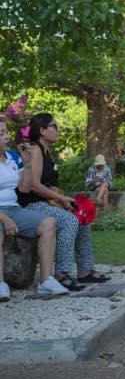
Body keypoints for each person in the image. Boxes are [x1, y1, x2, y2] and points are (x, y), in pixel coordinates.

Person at [19, 113, 109, 290]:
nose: (58, 130)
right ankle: (62, 273)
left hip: (46, 202)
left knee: (81, 217)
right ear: (43, 131)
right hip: (32, 205)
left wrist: (62, 197)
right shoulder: (35, 150)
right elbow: (34, 186)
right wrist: (60, 198)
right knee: (69, 220)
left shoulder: (45, 151)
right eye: (54, 126)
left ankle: (85, 270)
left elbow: (47, 185)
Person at [0, 120, 68, 299]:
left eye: (5, 132)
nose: (6, 136)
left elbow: (23, 188)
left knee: (48, 224)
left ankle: (45, 281)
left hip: (14, 208)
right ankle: (0, 284)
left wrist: (27, 163)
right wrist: (5, 220)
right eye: (1, 134)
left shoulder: (13, 157)